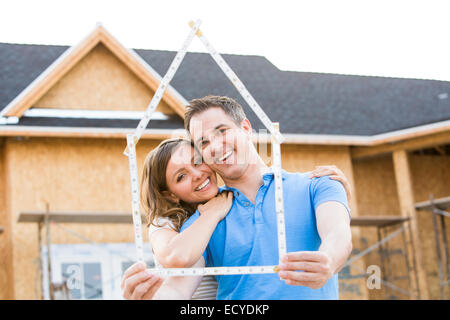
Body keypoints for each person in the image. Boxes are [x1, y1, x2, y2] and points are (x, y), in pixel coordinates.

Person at [121, 95, 352, 300]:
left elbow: (338, 234)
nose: (216, 146)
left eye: (222, 131)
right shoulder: (203, 221)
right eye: (204, 142)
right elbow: (178, 289)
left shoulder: (319, 184)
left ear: (246, 128)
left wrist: (328, 260)